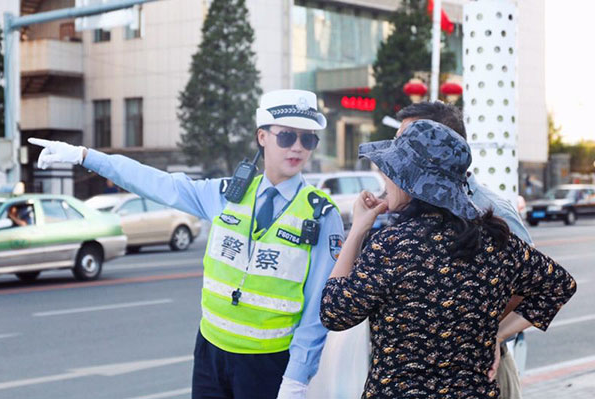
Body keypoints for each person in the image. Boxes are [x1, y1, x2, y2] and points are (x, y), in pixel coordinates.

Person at [29, 89, 345, 399]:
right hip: (210, 350)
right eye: (287, 136)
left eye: (309, 139)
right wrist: (87, 156)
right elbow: (158, 184)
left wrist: (297, 379)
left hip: (269, 362)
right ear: (262, 137)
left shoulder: (321, 214)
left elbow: (319, 306)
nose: (298, 148)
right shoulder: (226, 193)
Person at [320, 119, 576, 398]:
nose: (386, 179)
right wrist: (496, 335)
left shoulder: (392, 247)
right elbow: (559, 286)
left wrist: (358, 229)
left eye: (391, 172)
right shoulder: (496, 241)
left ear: (410, 181)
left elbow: (335, 312)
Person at [394, 101, 533, 398]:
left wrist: (488, 332)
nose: (395, 152)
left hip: (481, 371)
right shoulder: (405, 205)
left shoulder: (491, 210)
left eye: (405, 143)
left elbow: (533, 286)